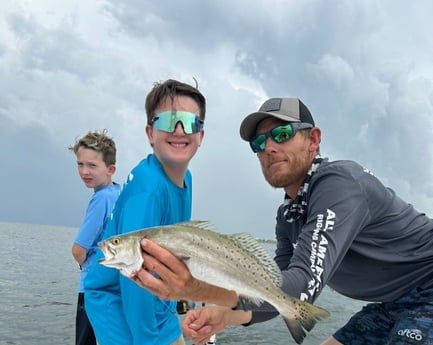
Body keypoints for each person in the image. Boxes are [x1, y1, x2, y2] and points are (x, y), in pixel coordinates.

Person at [133, 97, 433, 345]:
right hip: (394, 301)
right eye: (259, 142)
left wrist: (197, 290)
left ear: (313, 139)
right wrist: (227, 314)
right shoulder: (288, 215)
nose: (268, 147)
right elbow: (278, 292)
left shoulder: (339, 184)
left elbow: (300, 288)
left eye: (281, 134)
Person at [84, 79, 206, 345]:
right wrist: (147, 339)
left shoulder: (187, 178)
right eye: (167, 121)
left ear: (201, 135)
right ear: (150, 133)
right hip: (119, 301)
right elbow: (131, 276)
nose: (179, 130)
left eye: (189, 122)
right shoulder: (147, 190)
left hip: (158, 300)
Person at [69, 130, 120, 345]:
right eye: (80, 164)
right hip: (113, 287)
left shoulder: (101, 198)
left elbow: (78, 249)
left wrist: (88, 267)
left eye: (92, 165)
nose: (84, 171)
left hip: (92, 287)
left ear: (110, 169)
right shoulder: (119, 192)